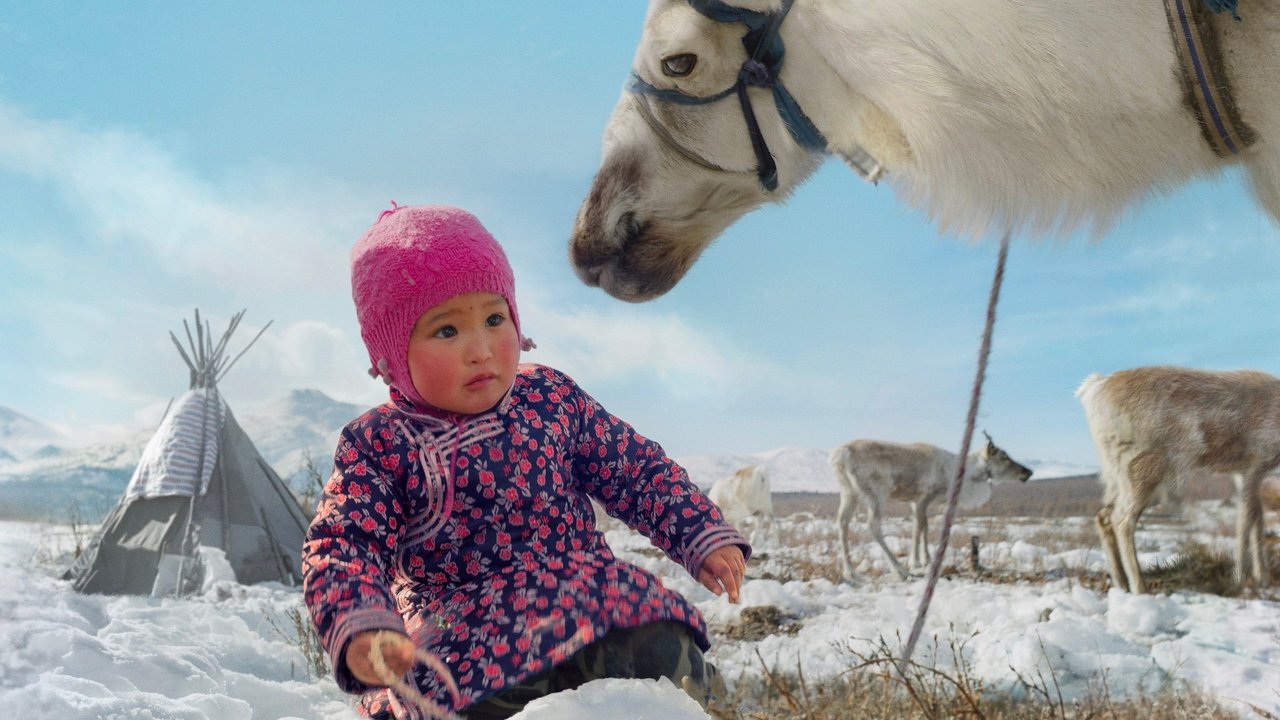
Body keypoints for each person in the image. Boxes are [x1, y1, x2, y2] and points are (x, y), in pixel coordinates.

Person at [302, 203, 750, 719]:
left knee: (659, 643)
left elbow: (636, 470)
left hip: (584, 594)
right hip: (463, 628)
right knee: (449, 700)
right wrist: (362, 621)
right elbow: (343, 541)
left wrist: (699, 532)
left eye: (495, 319)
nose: (482, 350)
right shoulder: (379, 443)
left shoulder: (550, 398)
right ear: (391, 354)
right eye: (447, 331)